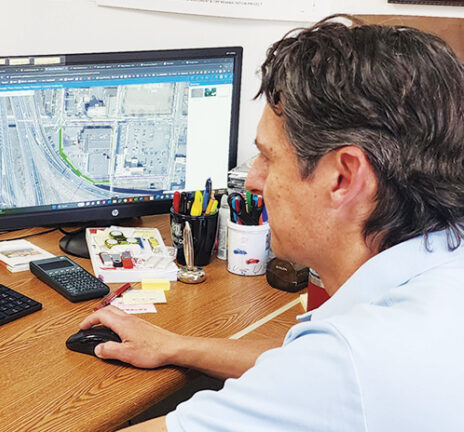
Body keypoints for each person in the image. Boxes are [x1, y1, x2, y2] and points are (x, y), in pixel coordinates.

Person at [79, 15, 464, 431]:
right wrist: (178, 346)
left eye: (268, 156)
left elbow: (327, 373)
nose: (253, 179)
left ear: (343, 177)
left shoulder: (348, 365)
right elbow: (297, 361)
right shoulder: (438, 274)